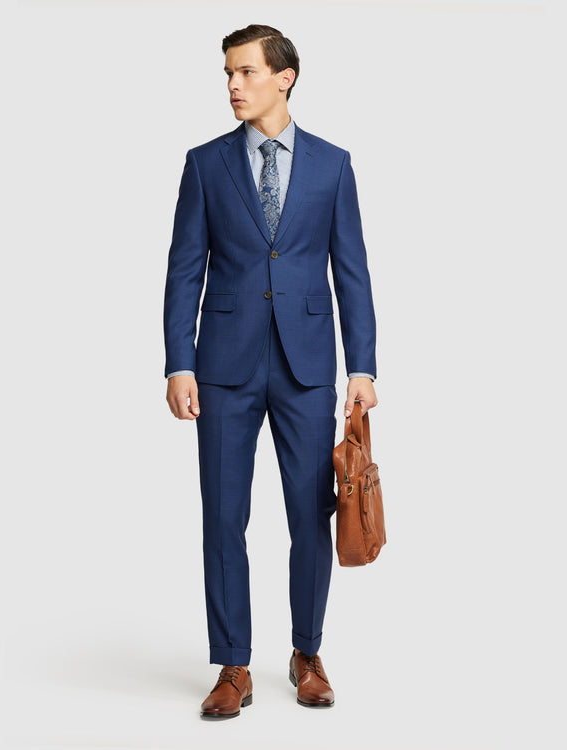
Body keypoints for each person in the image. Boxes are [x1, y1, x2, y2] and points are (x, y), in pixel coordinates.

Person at [163, 24, 378, 719]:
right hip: (222, 367)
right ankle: (233, 665)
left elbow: (351, 271)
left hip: (306, 367)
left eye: (246, 72)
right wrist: (179, 362)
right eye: (228, 73)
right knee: (223, 517)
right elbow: (184, 270)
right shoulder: (204, 164)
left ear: (284, 78)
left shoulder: (332, 165)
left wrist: (363, 367)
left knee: (311, 516)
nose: (233, 85)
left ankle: (307, 653)